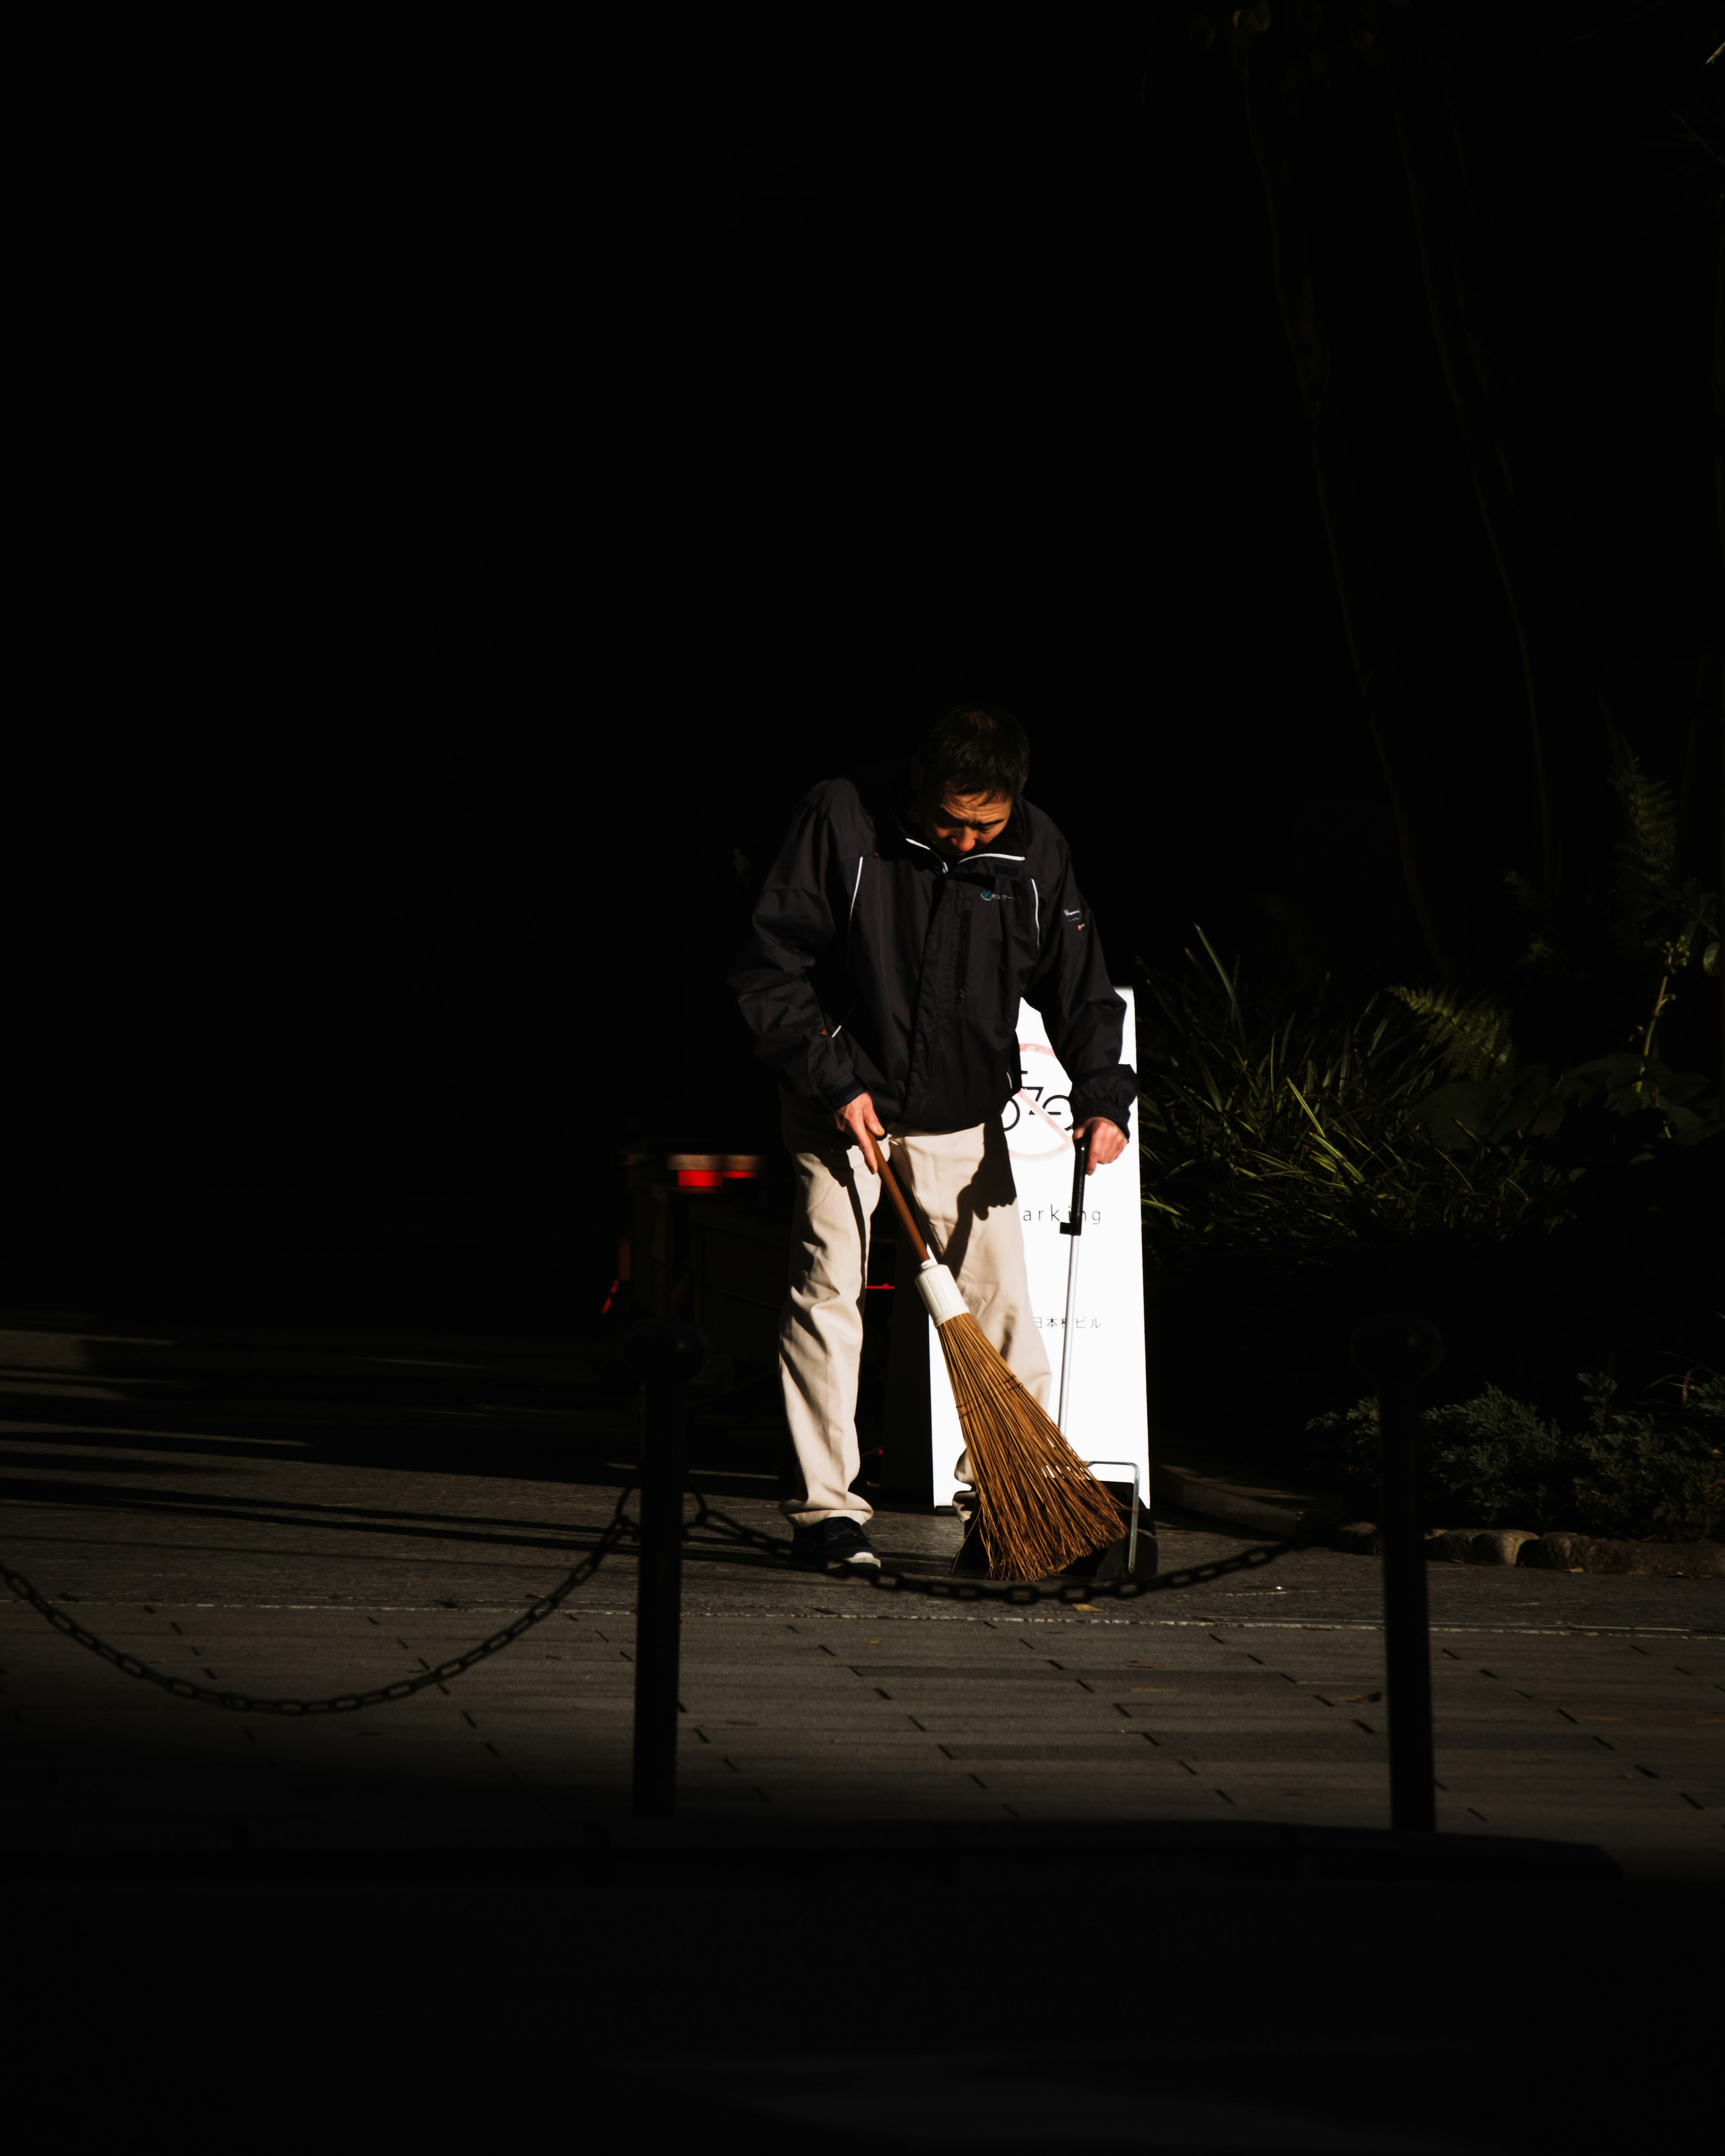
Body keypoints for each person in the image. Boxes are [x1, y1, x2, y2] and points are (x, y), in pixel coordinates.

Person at [726, 706, 1135, 1569]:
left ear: (1013, 803)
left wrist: (1104, 1097)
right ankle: (825, 1514)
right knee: (826, 1294)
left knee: (999, 1315)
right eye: (948, 818)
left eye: (982, 823)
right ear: (917, 782)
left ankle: (1014, 1507)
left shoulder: (1035, 853)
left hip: (957, 1111)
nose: (961, 837)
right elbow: (772, 961)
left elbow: (1081, 987)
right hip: (841, 1094)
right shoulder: (843, 817)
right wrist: (831, 1077)